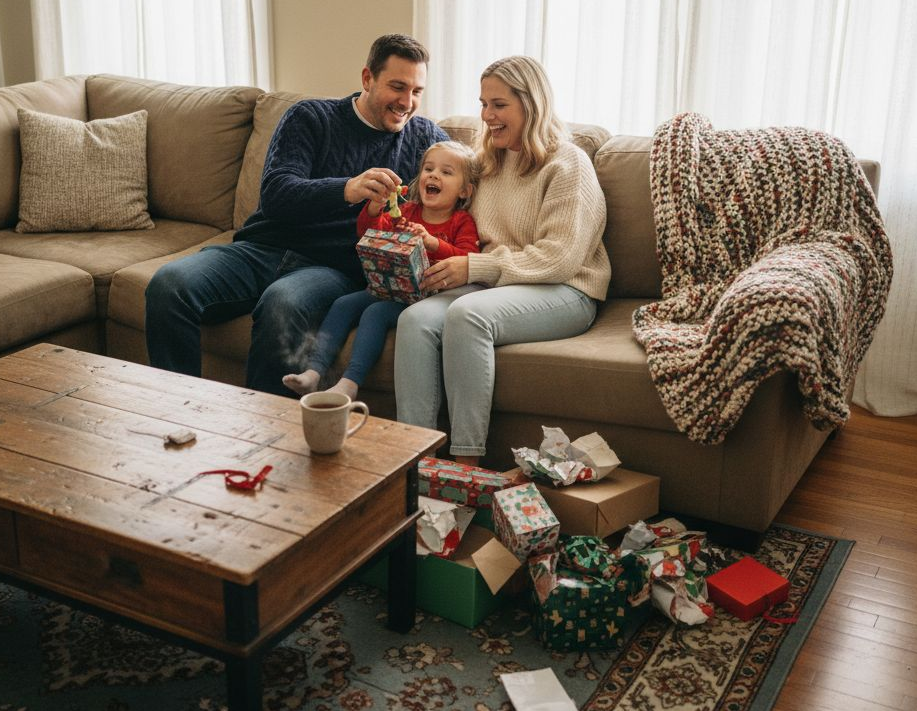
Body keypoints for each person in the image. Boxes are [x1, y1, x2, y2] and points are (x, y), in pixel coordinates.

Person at [145, 34, 450, 394]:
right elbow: (275, 193)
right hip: (261, 249)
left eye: (417, 91)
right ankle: (178, 411)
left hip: (333, 268)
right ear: (367, 79)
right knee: (168, 285)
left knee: (282, 303)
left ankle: (263, 435)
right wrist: (346, 189)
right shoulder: (311, 117)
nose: (407, 102)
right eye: (397, 87)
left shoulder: (423, 137)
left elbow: (469, 176)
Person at [394, 55, 611, 466]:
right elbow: (435, 200)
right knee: (415, 320)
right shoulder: (488, 161)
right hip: (495, 284)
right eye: (483, 103)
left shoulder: (568, 164)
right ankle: (415, 464)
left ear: (531, 104)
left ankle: (465, 465)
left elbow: (560, 258)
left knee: (468, 316)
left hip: (565, 290)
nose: (487, 116)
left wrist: (474, 268)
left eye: (498, 105)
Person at [283, 140, 481, 400]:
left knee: (375, 313)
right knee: (343, 304)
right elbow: (369, 232)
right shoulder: (407, 211)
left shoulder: (461, 221)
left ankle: (350, 383)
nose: (433, 175)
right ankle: (314, 372)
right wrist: (375, 208)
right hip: (387, 287)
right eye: (428, 169)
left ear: (465, 191)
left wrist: (433, 243)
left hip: (424, 297)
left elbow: (469, 258)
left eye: (446, 172)